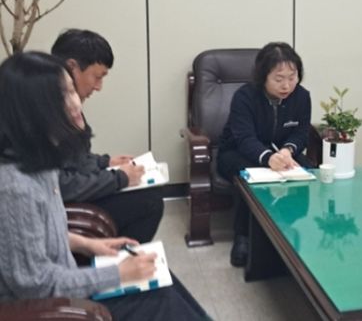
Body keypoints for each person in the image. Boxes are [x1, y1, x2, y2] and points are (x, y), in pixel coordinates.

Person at [0, 51, 207, 320]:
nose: (76, 102)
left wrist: (88, 244)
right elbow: (35, 285)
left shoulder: (40, 162)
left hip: (63, 281)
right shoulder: (14, 187)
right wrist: (117, 273)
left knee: (161, 276)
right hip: (43, 308)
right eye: (64, 95)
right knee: (162, 300)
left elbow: (39, 233)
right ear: (33, 111)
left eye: (72, 90)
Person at [51, 29, 163, 243]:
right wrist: (119, 178)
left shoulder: (65, 103)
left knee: (149, 196)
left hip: (74, 192)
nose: (99, 87)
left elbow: (75, 158)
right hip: (65, 203)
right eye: (97, 77)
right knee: (148, 202)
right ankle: (120, 257)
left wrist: (105, 162)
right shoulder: (49, 113)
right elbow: (61, 183)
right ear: (72, 67)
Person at [217, 42, 312, 267]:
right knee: (249, 177)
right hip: (237, 152)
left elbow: (301, 133)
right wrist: (268, 158)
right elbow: (244, 138)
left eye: (292, 77)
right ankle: (243, 236)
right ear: (263, 77)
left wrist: (288, 150)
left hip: (281, 152)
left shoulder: (302, 97)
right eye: (279, 79)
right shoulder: (244, 97)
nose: (286, 85)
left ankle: (289, 226)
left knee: (305, 168)